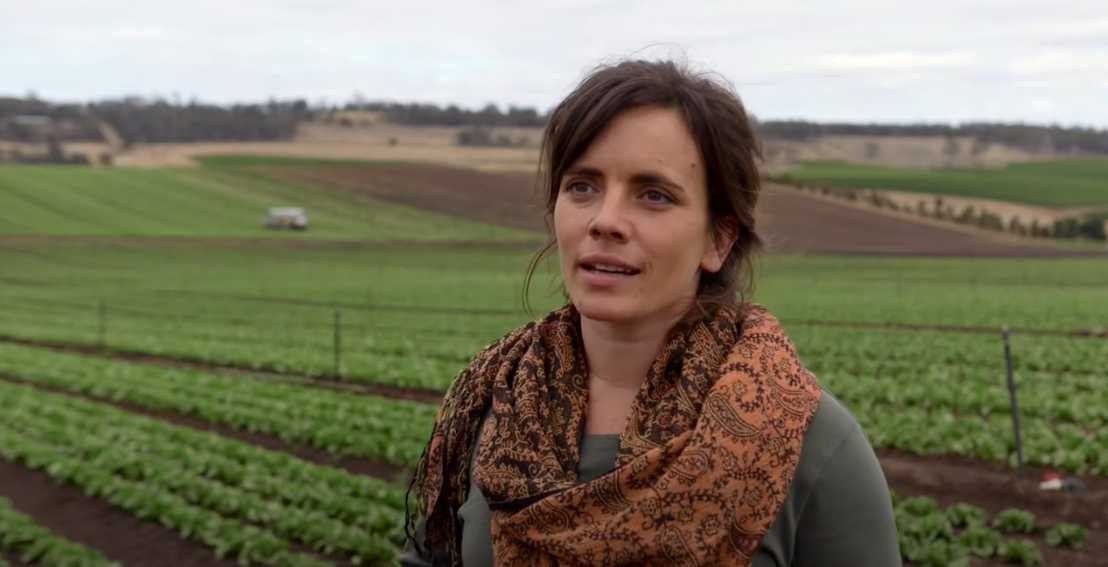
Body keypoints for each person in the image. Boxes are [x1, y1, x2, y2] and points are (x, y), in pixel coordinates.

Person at [399, 57, 902, 567]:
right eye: (582, 186)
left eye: (654, 195)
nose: (606, 221)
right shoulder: (495, 404)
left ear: (718, 239)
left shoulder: (808, 442)